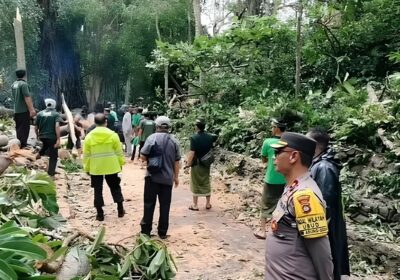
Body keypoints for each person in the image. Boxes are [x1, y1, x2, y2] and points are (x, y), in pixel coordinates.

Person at [265, 132, 333, 280]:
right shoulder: (293, 186)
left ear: (293, 156)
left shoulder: (305, 196)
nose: (273, 157)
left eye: (278, 152)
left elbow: (321, 252)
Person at [307, 127, 350, 280]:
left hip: (325, 228)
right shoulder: (317, 162)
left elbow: (326, 205)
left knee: (326, 265)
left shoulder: (324, 167)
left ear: (313, 144)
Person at [140, 116, 181, 239]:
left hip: (152, 177)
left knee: (148, 204)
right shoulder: (174, 141)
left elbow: (142, 155)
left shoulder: (151, 138)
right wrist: (176, 177)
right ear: (169, 127)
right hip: (167, 179)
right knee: (165, 205)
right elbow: (176, 162)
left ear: (156, 126)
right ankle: (162, 232)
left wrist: (151, 160)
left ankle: (145, 231)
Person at [83, 113, 125, 221]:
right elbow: (118, 152)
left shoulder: (89, 137)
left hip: (96, 168)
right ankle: (120, 209)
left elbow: (86, 155)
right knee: (115, 187)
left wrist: (87, 168)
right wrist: (121, 163)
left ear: (95, 123)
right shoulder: (113, 135)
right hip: (111, 166)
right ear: (106, 122)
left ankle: (100, 214)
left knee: (97, 190)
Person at [254, 118, 286, 239]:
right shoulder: (289, 142)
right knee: (281, 205)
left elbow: (263, 159)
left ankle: (262, 230)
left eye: (273, 127)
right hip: (284, 179)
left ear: (277, 128)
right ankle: (276, 231)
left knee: (265, 204)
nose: (272, 129)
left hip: (271, 178)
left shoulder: (268, 142)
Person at [185, 119, 217, 211]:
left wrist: (188, 164)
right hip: (206, 163)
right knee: (206, 181)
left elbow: (192, 153)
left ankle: (195, 205)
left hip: (197, 163)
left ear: (196, 127)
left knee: (195, 182)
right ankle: (208, 203)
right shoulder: (210, 137)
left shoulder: (194, 138)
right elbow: (213, 144)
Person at [35, 98, 61, 177]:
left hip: (42, 136)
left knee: (45, 145)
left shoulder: (39, 114)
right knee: (53, 156)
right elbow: (57, 126)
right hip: (52, 137)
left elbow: (35, 127)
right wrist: (58, 139)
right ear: (54, 104)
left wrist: (37, 136)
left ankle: (38, 155)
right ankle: (51, 174)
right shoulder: (56, 114)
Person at [11, 69, 36, 147]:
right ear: (24, 75)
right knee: (24, 127)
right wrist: (31, 109)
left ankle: (20, 142)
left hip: (16, 110)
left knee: (19, 127)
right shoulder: (24, 84)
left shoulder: (13, 84)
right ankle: (23, 144)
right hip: (23, 110)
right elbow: (27, 97)